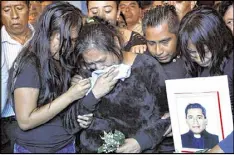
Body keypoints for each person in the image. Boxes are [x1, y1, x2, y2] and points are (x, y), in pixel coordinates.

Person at [63, 16, 171, 153]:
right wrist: (93, 95)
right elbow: (69, 125)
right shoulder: (86, 73)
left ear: (115, 43)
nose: (98, 68)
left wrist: (141, 142)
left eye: (102, 60)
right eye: (91, 64)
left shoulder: (146, 67)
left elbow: (171, 116)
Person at [7, 2, 93, 153]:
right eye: (62, 40)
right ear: (47, 33)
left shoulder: (60, 58)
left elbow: (57, 105)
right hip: (35, 149)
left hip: (66, 144)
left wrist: (80, 116)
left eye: (73, 41)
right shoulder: (30, 65)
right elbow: (25, 121)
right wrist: (70, 95)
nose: (68, 47)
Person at [177, 6, 233, 118]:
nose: (200, 59)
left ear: (218, 39)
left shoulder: (231, 65)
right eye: (192, 53)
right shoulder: (193, 65)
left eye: (206, 51)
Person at [1, 1, 33, 153]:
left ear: (29, 8)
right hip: (8, 122)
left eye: (19, 8)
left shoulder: (44, 40)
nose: (14, 15)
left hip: (44, 117)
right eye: (6, 10)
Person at [142, 5, 188, 80]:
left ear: (178, 34)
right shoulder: (141, 62)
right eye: (151, 43)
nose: (158, 51)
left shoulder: (192, 56)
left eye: (164, 42)